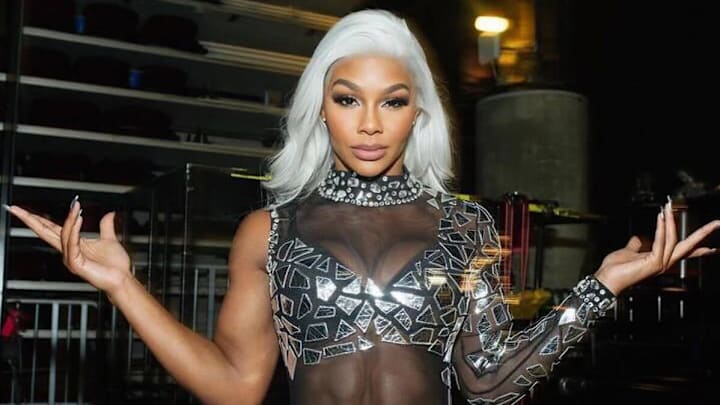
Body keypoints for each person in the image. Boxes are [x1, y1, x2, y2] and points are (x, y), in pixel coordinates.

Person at [4, 9, 719, 405]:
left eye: (392, 101)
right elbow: (235, 387)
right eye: (348, 99)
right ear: (322, 108)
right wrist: (124, 286)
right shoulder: (270, 230)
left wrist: (603, 286)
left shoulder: (465, 226)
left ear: (418, 113)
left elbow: (489, 382)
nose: (370, 123)